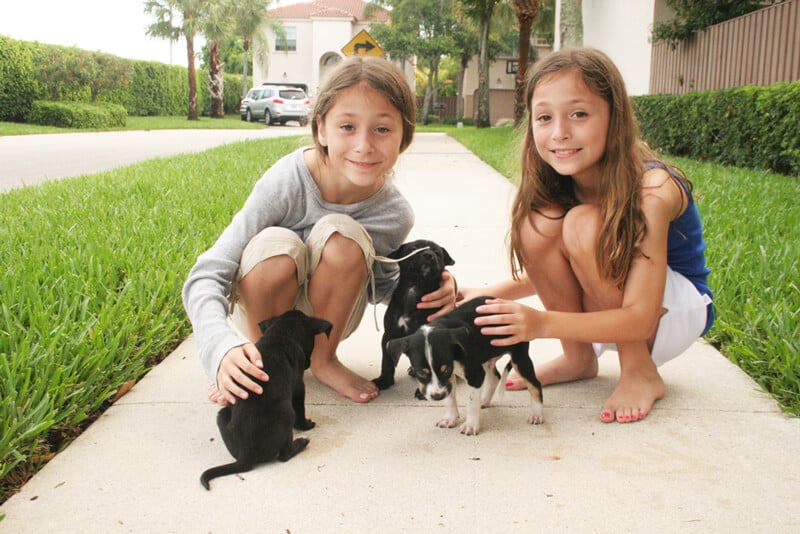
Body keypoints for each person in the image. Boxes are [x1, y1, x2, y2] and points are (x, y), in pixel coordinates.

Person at [183, 56, 457, 406]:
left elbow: (380, 287)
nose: (364, 145)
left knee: (342, 233)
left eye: (382, 129)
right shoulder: (285, 182)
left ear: (405, 136)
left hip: (331, 318)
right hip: (265, 308)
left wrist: (437, 289)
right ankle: (262, 361)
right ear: (321, 129)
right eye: (347, 127)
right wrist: (221, 349)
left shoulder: (394, 213)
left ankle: (323, 361)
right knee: (275, 246)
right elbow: (208, 273)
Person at [460, 48, 714, 424]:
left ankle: (638, 370)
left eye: (579, 114)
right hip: (617, 308)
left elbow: (641, 318)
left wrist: (541, 323)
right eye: (544, 117)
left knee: (580, 223)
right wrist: (491, 294)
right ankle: (579, 358)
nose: (560, 132)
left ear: (615, 117)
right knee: (539, 222)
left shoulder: (654, 188)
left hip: (673, 312)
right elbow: (573, 263)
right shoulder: (563, 185)